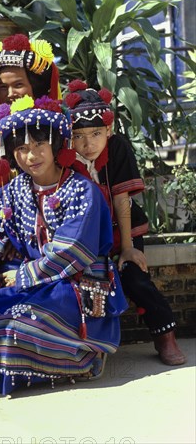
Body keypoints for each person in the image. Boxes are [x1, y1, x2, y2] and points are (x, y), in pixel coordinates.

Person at [0, 96, 128, 395]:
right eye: (22, 148)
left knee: (18, 323)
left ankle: (85, 358)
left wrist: (24, 275)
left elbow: (72, 251)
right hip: (34, 285)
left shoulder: (82, 190)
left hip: (74, 286)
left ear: (54, 146)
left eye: (39, 146)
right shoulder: (14, 189)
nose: (31, 156)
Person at [64, 80, 186, 365]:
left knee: (135, 277)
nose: (88, 143)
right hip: (87, 239)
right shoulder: (66, 158)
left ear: (109, 130)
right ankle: (85, 344)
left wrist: (129, 248)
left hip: (125, 231)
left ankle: (164, 336)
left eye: (96, 133)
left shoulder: (117, 148)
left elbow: (121, 198)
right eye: (79, 135)